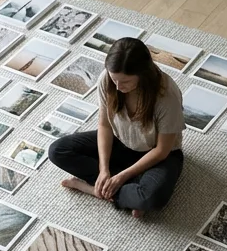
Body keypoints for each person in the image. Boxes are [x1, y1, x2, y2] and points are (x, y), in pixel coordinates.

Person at [48, 37, 185, 218]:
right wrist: (104, 169)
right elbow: (104, 125)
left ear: (143, 74)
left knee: (151, 198)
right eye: (115, 80)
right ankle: (125, 191)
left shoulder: (166, 95)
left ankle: (91, 189)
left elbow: (161, 150)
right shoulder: (107, 80)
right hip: (121, 141)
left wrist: (121, 177)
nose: (119, 87)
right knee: (58, 150)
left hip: (159, 155)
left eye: (126, 81)